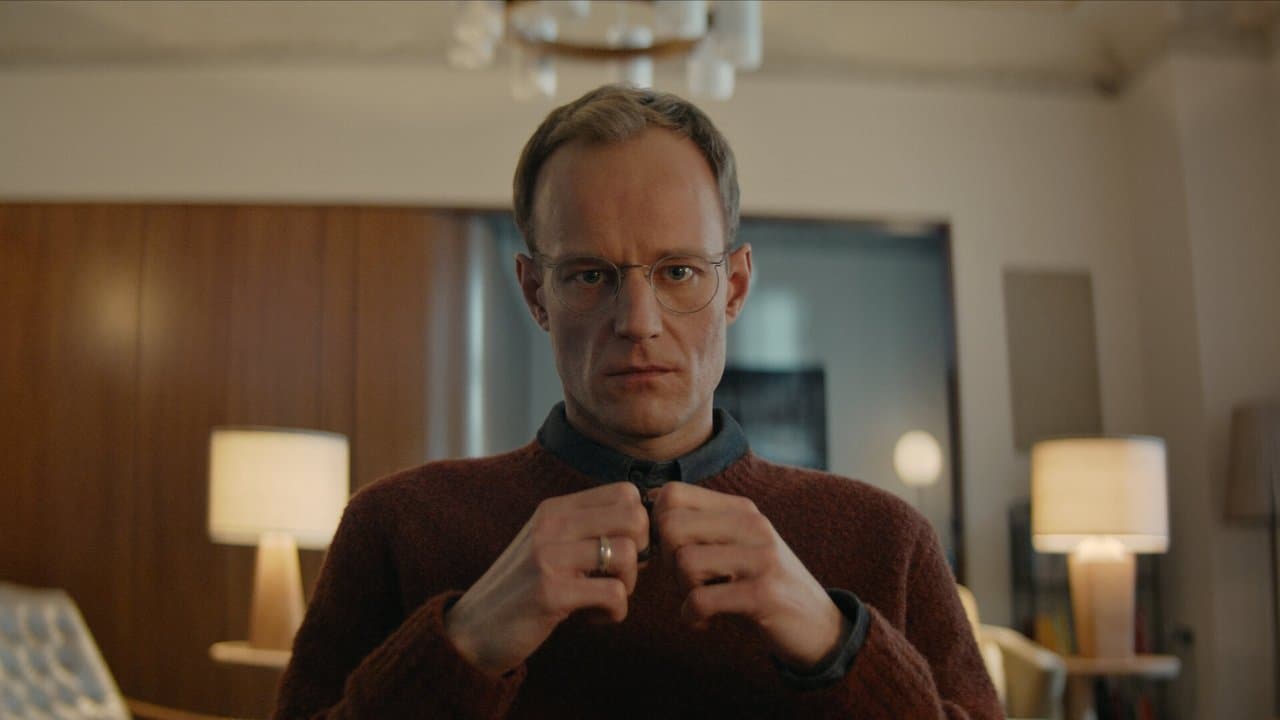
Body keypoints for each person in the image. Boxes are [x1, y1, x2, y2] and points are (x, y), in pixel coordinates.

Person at [273, 84, 1001, 719]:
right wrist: (465, 643)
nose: (638, 322)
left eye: (678, 271)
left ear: (735, 287)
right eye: (589, 275)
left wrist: (836, 643)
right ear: (535, 293)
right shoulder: (395, 528)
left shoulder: (888, 543)